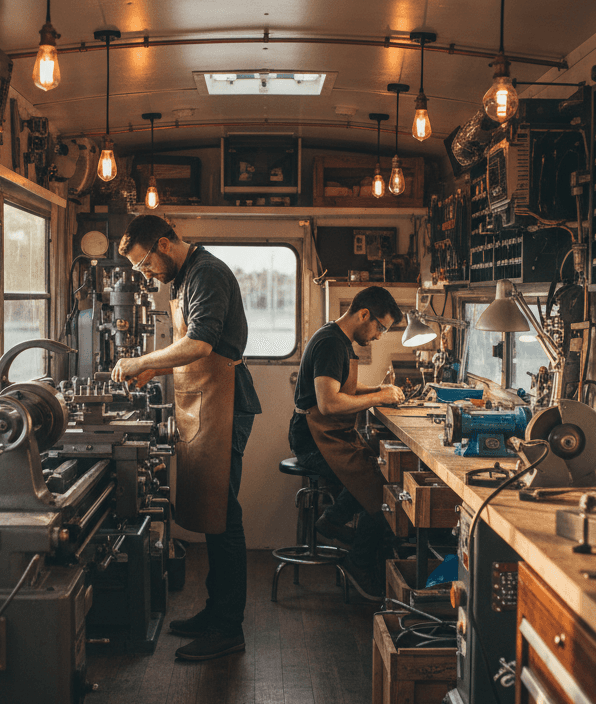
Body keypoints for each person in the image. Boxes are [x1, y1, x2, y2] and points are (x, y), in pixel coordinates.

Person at [112, 215, 261, 662]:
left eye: (145, 265)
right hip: (204, 400)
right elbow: (188, 353)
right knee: (214, 516)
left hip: (225, 403)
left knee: (225, 519)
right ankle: (216, 612)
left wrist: (141, 362)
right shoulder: (184, 278)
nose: (146, 275)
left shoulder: (206, 273)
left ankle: (229, 628)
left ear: (163, 244)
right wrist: (156, 369)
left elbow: (200, 345)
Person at [289, 286, 405, 600]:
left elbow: (343, 386)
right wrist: (380, 397)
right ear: (363, 314)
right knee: (383, 495)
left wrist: (377, 390)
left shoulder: (337, 339)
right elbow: (328, 404)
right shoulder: (330, 343)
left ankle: (333, 520)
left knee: (376, 470)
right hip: (314, 439)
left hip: (330, 434)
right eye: (381, 327)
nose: (380, 335)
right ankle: (358, 563)